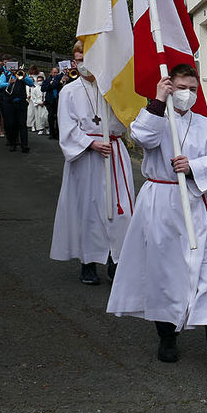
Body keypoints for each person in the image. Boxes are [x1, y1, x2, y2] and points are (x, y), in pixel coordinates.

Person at [106, 64, 207, 368]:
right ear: (170, 88)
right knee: (164, 271)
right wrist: (157, 101)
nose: (188, 94)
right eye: (182, 88)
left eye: (193, 89)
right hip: (162, 204)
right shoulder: (156, 117)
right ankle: (167, 336)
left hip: (197, 204)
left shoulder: (206, 126)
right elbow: (142, 137)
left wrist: (193, 167)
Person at [49, 42, 133, 285]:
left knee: (120, 209)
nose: (83, 63)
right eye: (78, 59)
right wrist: (91, 143)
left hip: (113, 153)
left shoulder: (112, 88)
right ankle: (88, 261)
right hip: (86, 158)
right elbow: (67, 127)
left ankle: (115, 259)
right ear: (73, 62)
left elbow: (125, 117)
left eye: (87, 57)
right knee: (88, 210)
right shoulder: (70, 91)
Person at [3, 65, 35, 153]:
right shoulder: (5, 75)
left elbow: (31, 83)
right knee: (11, 124)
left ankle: (24, 145)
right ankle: (13, 144)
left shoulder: (22, 74)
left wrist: (23, 76)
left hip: (21, 103)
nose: (13, 69)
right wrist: (9, 83)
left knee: (22, 124)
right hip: (9, 103)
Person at [44, 67, 64, 139]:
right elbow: (43, 88)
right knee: (51, 117)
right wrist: (50, 84)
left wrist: (57, 82)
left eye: (56, 72)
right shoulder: (48, 79)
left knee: (59, 118)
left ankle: (59, 134)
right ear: (51, 73)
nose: (55, 74)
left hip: (58, 100)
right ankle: (52, 133)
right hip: (50, 101)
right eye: (54, 72)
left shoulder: (60, 78)